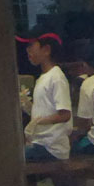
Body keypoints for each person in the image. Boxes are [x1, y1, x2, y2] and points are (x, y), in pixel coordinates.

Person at [20, 32, 72, 164]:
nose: (28, 51)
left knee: (15, 159)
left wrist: (38, 121)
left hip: (51, 147)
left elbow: (65, 115)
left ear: (46, 50)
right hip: (40, 143)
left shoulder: (56, 77)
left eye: (31, 46)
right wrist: (28, 106)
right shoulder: (43, 77)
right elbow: (45, 109)